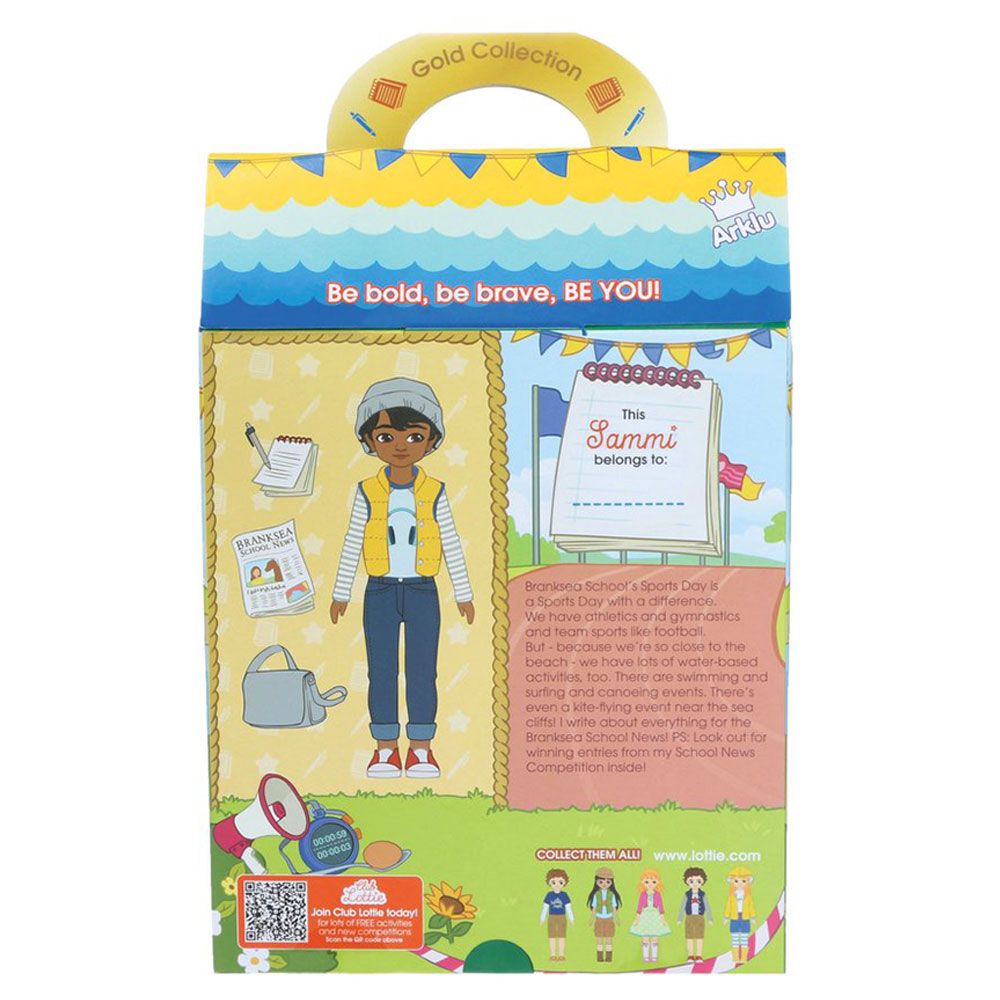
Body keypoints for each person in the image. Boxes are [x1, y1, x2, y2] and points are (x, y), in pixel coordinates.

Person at [330, 378, 474, 780]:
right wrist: (341, 592)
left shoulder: (435, 491)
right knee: (381, 670)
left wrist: (463, 592)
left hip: (423, 590)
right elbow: (352, 540)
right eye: (385, 436)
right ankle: (385, 749)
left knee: (423, 670)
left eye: (413, 436)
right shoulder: (367, 491)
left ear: (431, 441)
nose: (399, 446)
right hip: (379, 590)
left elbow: (451, 541)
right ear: (369, 440)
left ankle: (422, 749)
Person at [630, 868, 671, 963]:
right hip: (645, 916)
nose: (650, 884)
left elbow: (660, 906)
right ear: (642, 883)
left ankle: (654, 957)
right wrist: (637, 918)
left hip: (655, 916)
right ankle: (645, 957)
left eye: (653, 882)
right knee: (645, 937)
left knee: (655, 937)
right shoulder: (643, 894)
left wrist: (663, 919)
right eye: (647, 882)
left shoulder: (657, 894)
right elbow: (640, 906)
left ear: (658, 882)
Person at [676, 866, 713, 963]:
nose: (695, 884)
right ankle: (691, 955)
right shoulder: (687, 895)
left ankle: (699, 955)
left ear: (702, 882)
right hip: (689, 918)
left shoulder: (703, 894)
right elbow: (682, 906)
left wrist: (709, 918)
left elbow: (707, 906)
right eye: (691, 881)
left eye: (698, 881)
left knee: (700, 937)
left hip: (700, 918)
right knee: (689, 937)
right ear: (687, 882)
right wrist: (680, 918)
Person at [586, 867, 621, 963]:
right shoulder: (596, 895)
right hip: (599, 919)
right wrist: (591, 918)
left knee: (609, 939)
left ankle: (609, 957)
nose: (604, 884)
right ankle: (600, 957)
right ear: (596, 882)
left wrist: (616, 918)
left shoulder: (612, 895)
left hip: (609, 919)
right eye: (601, 882)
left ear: (611, 883)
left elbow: (614, 908)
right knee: (599, 939)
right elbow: (594, 908)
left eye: (607, 882)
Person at [723, 865, 756, 966]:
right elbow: (728, 907)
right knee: (735, 938)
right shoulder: (731, 896)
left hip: (745, 918)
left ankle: (744, 957)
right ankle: (736, 958)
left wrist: (753, 917)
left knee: (744, 938)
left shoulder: (748, 896)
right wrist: (726, 917)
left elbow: (751, 907)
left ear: (748, 882)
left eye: (744, 881)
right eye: (736, 881)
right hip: (734, 918)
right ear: (732, 882)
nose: (740, 884)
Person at [539, 869, 574, 961]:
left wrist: (571, 918)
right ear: (549, 883)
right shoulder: (549, 895)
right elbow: (545, 907)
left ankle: (561, 955)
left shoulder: (564, 895)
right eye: (554, 882)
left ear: (564, 883)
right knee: (552, 936)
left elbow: (568, 907)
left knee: (562, 936)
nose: (557, 885)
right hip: (551, 917)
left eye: (560, 882)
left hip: (562, 917)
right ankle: (553, 955)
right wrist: (542, 918)